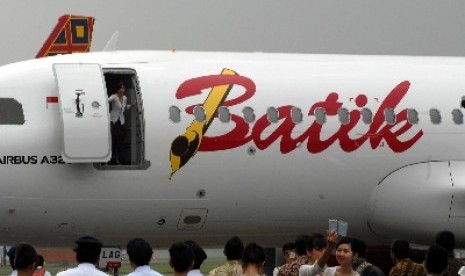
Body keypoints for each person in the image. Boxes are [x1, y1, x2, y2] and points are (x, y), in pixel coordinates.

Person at [108, 81, 134, 165]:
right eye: (121, 88)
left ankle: (117, 159)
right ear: (118, 89)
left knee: (120, 140)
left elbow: (124, 108)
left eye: (123, 88)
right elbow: (105, 101)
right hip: (114, 121)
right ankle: (113, 158)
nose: (122, 90)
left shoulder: (125, 98)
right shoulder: (114, 97)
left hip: (121, 121)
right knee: (114, 140)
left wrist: (132, 105)